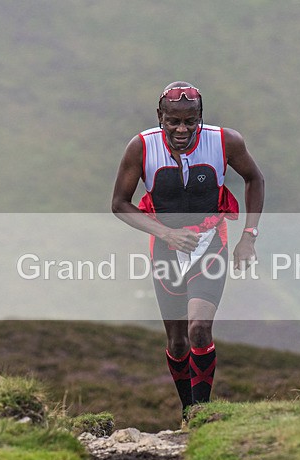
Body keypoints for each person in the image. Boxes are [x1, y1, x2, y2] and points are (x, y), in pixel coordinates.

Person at [112, 81, 265, 420]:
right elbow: (119, 204)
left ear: (200, 117)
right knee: (178, 343)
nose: (182, 129)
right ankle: (187, 410)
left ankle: (201, 415)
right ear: (159, 117)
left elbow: (255, 179)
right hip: (165, 249)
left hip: (211, 242)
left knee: (199, 328)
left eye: (190, 121)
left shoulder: (226, 142)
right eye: (173, 121)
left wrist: (248, 237)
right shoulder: (140, 148)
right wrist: (166, 232)